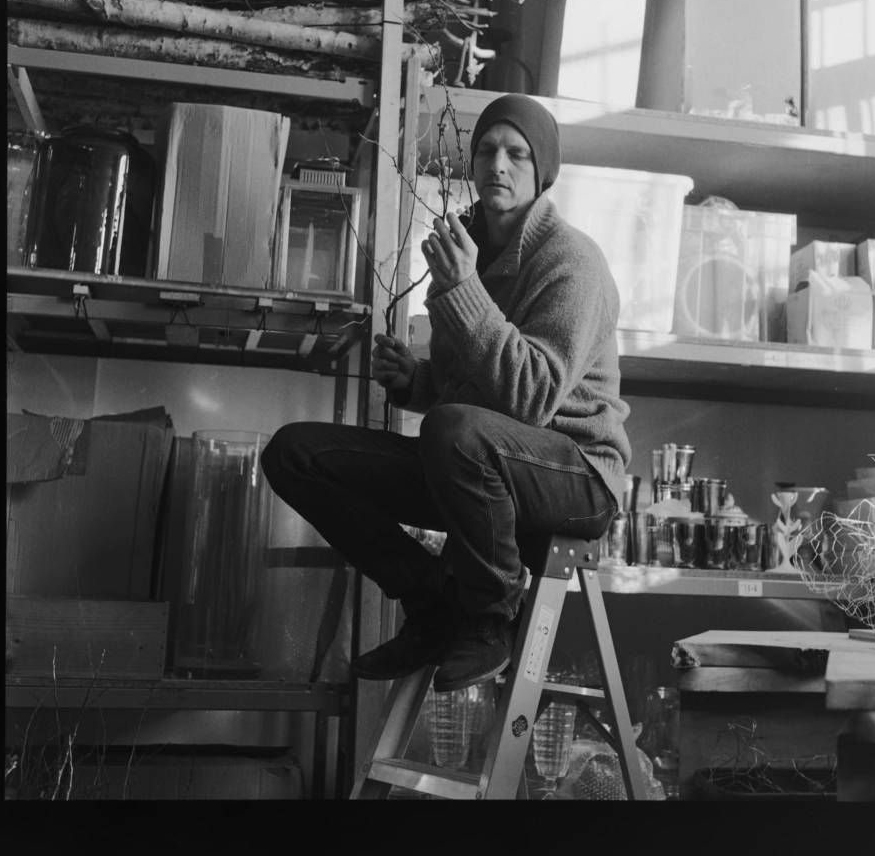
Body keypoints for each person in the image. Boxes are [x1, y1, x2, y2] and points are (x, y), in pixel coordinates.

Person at [261, 93, 630, 694]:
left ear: (542, 172)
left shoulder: (572, 261)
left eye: (516, 154)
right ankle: (430, 600)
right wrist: (418, 381)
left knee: (454, 430)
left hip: (578, 474)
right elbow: (468, 391)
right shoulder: (467, 250)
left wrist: (462, 290)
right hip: (484, 465)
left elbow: (532, 398)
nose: (497, 165)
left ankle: (489, 619)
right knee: (293, 454)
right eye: (486, 151)